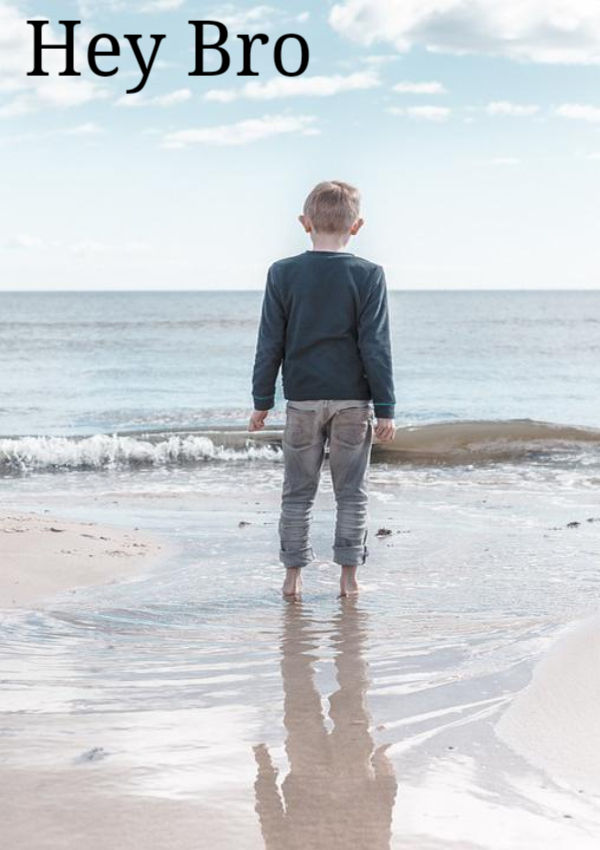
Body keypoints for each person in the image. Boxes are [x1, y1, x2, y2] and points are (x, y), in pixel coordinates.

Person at [248, 181, 396, 598]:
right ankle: (349, 581)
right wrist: (386, 407)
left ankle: (292, 579)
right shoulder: (368, 275)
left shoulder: (282, 273)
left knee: (297, 494)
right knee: (352, 494)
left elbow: (270, 342)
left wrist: (262, 401)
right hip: (353, 402)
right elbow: (375, 345)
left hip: (302, 401)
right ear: (357, 226)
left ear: (305, 222)